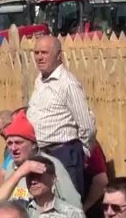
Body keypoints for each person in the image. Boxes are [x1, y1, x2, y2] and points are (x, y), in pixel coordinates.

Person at [26, 35, 96, 196]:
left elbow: (86, 125)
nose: (39, 57)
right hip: (41, 153)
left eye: (44, 52)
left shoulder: (67, 83)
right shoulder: (40, 80)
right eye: (36, 53)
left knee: (68, 202)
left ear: (58, 55)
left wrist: (83, 152)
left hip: (64, 154)